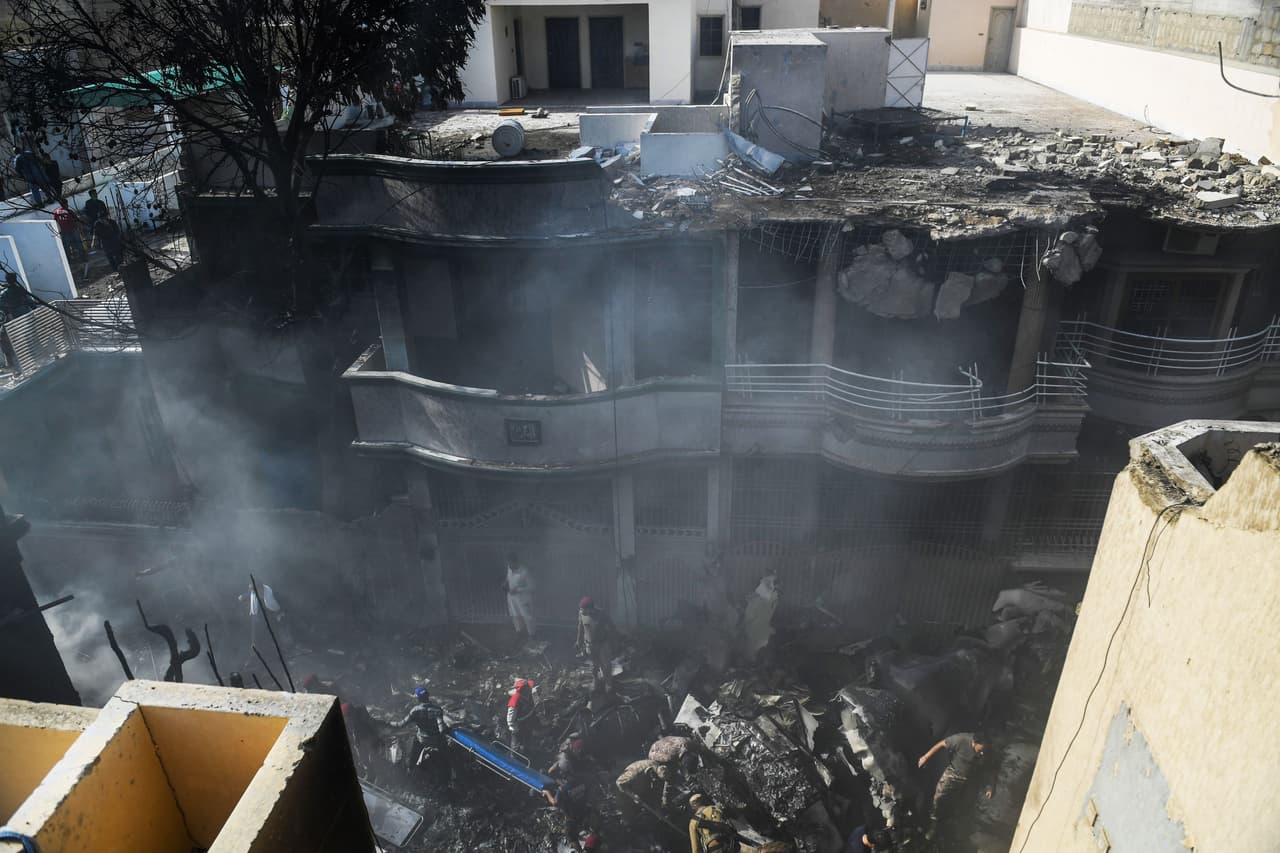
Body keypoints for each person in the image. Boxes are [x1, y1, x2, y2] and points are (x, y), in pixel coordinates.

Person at [917, 732, 994, 839]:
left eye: (984, 751)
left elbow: (989, 768)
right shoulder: (960, 740)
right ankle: (933, 825)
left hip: (970, 779)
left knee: (964, 803)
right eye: (980, 750)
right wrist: (926, 757)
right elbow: (942, 744)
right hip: (953, 774)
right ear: (974, 743)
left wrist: (990, 786)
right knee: (938, 799)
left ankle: (953, 824)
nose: (982, 754)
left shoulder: (986, 750)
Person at [396, 686, 449, 787]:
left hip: (422, 740)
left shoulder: (414, 711)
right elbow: (442, 729)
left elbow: (401, 724)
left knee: (413, 753)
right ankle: (447, 779)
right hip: (437, 741)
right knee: (446, 758)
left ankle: (410, 770)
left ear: (418, 698)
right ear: (428, 696)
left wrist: (387, 724)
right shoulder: (437, 710)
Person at [575, 596, 615, 693]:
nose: (582, 611)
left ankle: (608, 683)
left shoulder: (602, 614)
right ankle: (595, 680)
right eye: (580, 609)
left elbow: (611, 627)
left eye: (584, 609)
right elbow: (580, 628)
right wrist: (578, 641)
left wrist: (613, 642)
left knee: (606, 665)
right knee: (594, 665)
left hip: (602, 644)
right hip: (590, 645)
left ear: (590, 609)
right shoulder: (581, 614)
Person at [741, 574, 779, 661]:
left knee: (753, 654)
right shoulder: (769, 600)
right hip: (760, 633)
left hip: (756, 633)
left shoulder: (758, 601)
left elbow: (748, 618)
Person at [504, 552, 536, 640]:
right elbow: (508, 578)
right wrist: (505, 583)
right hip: (512, 599)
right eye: (507, 563)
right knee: (515, 616)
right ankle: (519, 633)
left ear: (515, 562)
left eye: (510, 563)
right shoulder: (509, 568)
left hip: (523, 599)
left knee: (528, 617)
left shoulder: (524, 572)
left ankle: (532, 635)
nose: (509, 565)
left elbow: (532, 586)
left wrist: (518, 590)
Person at [506, 678, 536, 753]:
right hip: (518, 729)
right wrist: (515, 729)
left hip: (526, 728)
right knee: (516, 750)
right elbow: (511, 718)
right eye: (528, 687)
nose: (530, 688)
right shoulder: (515, 699)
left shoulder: (528, 697)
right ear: (524, 689)